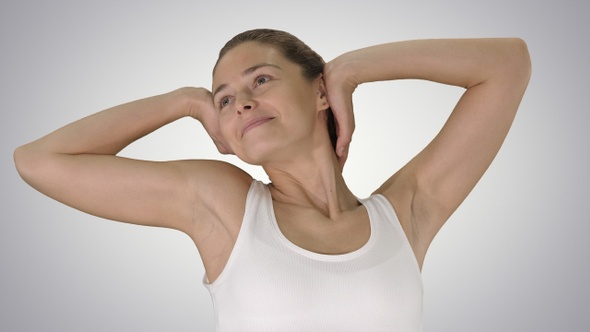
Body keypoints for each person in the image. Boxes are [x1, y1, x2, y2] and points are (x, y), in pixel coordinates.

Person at [14, 29, 531, 331]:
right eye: (224, 99)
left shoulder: (405, 214)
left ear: (319, 92)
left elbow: (509, 62)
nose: (241, 102)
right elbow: (39, 159)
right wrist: (183, 101)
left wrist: (352, 68)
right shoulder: (224, 206)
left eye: (261, 79)